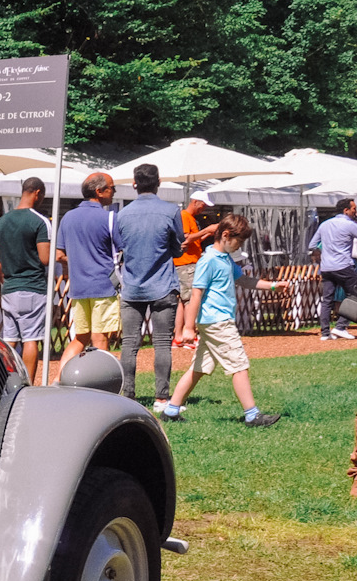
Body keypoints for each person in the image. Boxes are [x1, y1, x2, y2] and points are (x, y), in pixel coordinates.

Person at [159, 213, 282, 427]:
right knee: (239, 365)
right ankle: (252, 415)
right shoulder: (208, 260)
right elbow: (196, 293)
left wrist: (272, 286)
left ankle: (171, 410)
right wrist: (188, 328)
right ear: (225, 235)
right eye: (239, 241)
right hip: (218, 322)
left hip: (214, 321)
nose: (239, 246)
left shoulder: (224, 258)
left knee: (198, 368)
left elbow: (243, 280)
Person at [112, 163, 185, 409]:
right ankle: (161, 397)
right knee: (162, 343)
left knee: (129, 344)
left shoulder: (122, 214)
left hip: (132, 287)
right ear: (159, 182)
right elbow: (177, 246)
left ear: (134, 184)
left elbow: (121, 247)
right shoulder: (170, 211)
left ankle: (127, 395)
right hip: (163, 285)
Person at [54, 171, 123, 368]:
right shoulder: (110, 218)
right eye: (112, 188)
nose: (114, 192)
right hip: (104, 286)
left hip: (78, 287)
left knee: (79, 338)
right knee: (100, 340)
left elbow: (59, 255)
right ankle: (104, 388)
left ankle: (58, 380)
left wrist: (79, 261)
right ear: (99, 191)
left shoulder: (67, 217)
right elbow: (122, 250)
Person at [0, 176, 52, 375]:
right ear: (37, 193)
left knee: (9, 339)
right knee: (31, 339)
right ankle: (28, 385)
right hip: (33, 287)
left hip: (9, 288)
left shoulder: (1, 222)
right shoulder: (39, 222)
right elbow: (45, 258)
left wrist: (3, 278)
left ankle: (7, 381)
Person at [174, 190, 220, 346]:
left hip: (185, 263)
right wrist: (207, 230)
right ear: (195, 202)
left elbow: (193, 240)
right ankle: (188, 335)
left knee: (182, 300)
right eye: (202, 205)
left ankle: (179, 336)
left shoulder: (190, 218)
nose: (203, 209)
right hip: (187, 263)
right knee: (190, 300)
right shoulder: (184, 216)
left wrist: (207, 234)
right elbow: (186, 238)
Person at [308, 196, 357, 342]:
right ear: (346, 210)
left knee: (327, 299)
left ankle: (325, 333)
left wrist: (319, 253)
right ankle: (341, 326)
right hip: (343, 266)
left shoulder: (325, 224)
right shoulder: (349, 225)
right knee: (354, 295)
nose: (355, 212)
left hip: (327, 267)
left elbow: (312, 245)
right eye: (354, 209)